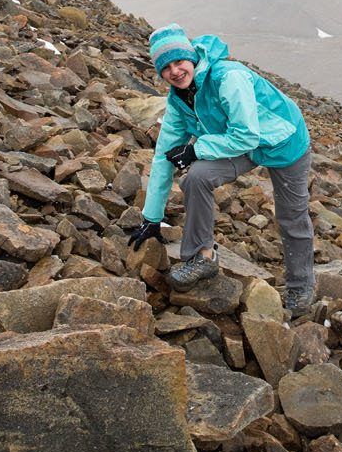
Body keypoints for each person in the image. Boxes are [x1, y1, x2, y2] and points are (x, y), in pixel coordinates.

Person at [127, 24, 316, 317]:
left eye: (179, 62)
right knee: (197, 177)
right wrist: (151, 218)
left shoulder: (229, 78)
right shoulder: (178, 100)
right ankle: (201, 257)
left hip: (283, 140)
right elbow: (164, 157)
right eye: (166, 67)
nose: (175, 71)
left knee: (291, 218)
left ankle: (300, 288)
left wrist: (195, 149)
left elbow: (246, 135)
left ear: (190, 58)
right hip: (238, 141)